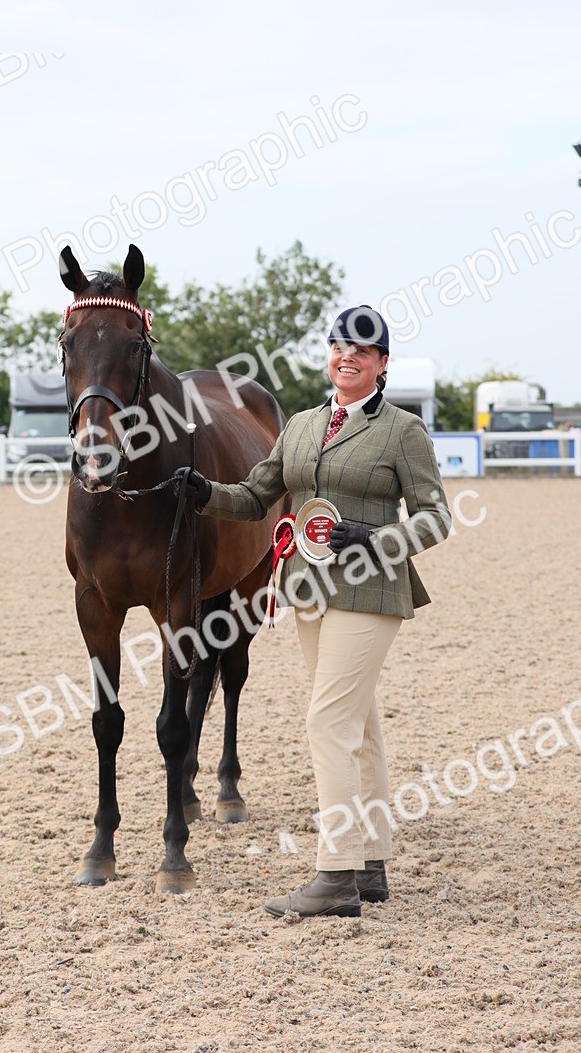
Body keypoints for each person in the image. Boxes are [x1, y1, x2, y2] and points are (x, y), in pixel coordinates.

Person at [175, 305, 451, 919]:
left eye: (362, 349)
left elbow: (436, 518)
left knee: (328, 724)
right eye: (337, 346)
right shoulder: (300, 425)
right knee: (362, 727)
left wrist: (376, 540)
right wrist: (204, 494)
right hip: (307, 592)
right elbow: (254, 497)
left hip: (371, 589)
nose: (346, 356)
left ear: (381, 364)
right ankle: (373, 862)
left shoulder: (402, 431)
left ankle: (336, 874)